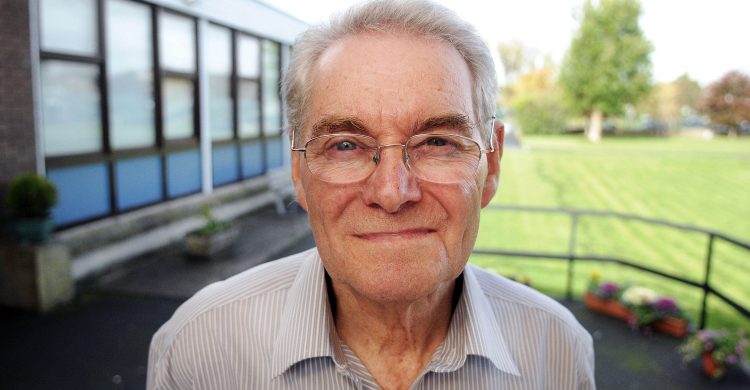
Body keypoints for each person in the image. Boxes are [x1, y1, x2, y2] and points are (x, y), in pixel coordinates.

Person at [147, 0, 595, 389]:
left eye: (437, 142)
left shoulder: (555, 349)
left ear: (490, 166)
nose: (392, 192)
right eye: (345, 145)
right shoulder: (199, 347)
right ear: (299, 171)